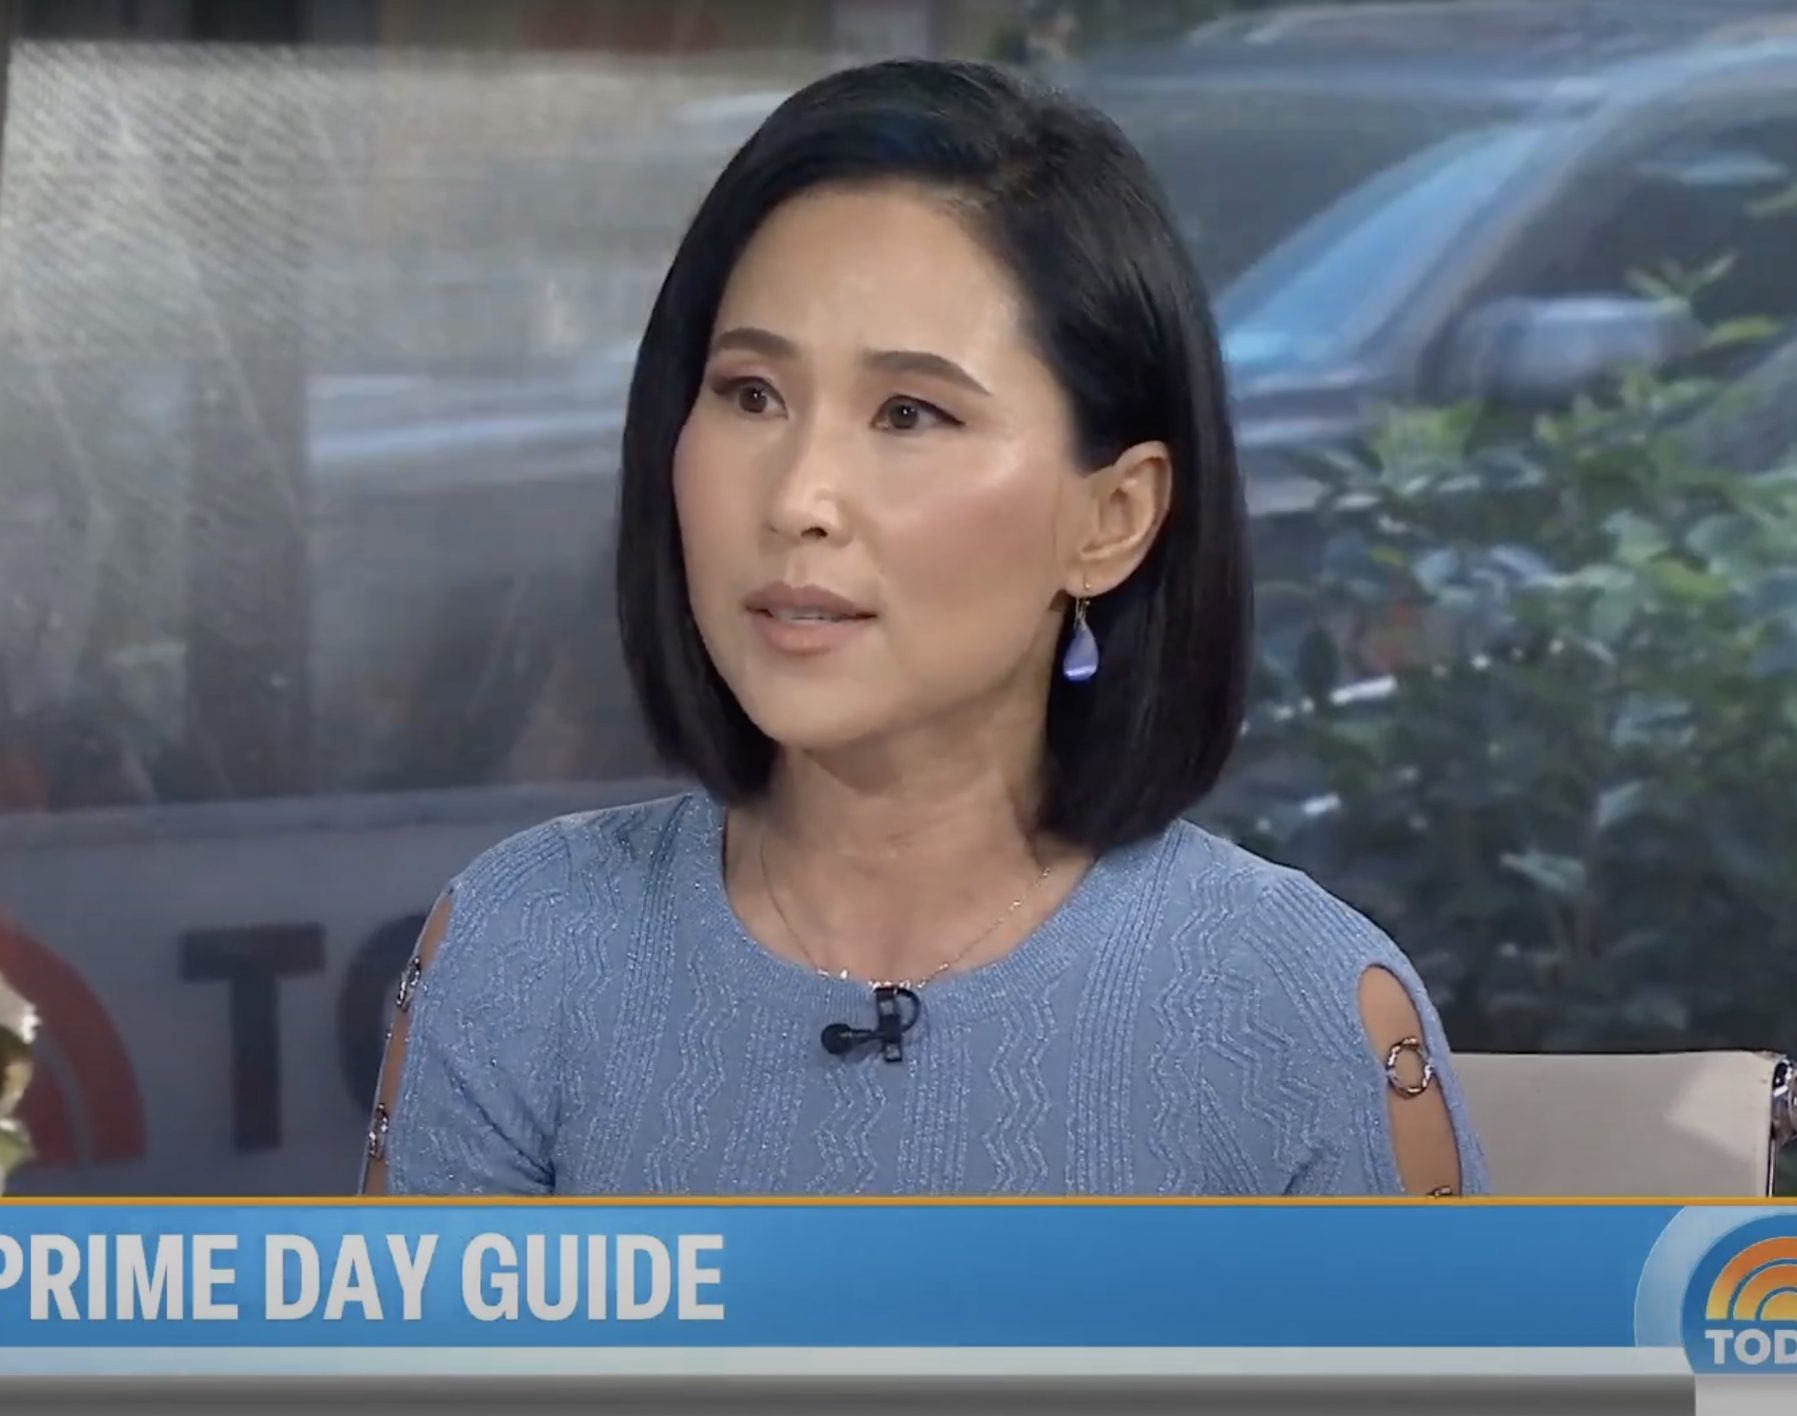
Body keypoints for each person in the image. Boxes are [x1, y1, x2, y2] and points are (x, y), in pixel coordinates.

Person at [361, 58, 1486, 1197]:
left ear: (1112, 519)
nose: (796, 498)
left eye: (908, 413)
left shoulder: (1301, 1013)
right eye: (751, 393)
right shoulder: (524, 948)